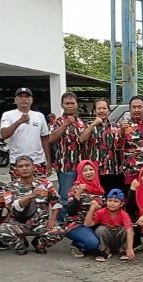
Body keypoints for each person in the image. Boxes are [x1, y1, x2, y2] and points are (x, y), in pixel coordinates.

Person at [0, 156, 64, 255]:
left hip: (40, 223)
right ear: (16, 170)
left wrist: (53, 218)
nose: (24, 168)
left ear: (34, 167)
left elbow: (57, 202)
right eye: (20, 166)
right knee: (1, 232)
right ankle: (21, 244)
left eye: (27, 165)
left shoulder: (45, 184)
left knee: (59, 232)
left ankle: (39, 244)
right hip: (19, 223)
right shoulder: (9, 187)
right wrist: (31, 196)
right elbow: (13, 207)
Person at [49, 92, 87, 223]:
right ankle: (61, 222)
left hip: (82, 166)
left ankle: (75, 221)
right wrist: (65, 125)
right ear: (62, 105)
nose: (70, 106)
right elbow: (51, 138)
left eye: (72, 103)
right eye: (67, 103)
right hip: (66, 165)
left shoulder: (81, 122)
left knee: (79, 195)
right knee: (65, 196)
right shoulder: (57, 121)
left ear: (77, 105)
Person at [0, 88, 52, 180]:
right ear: (15, 100)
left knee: (41, 191)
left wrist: (49, 161)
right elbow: (4, 135)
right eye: (20, 96)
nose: (24, 99)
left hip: (38, 161)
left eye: (27, 97)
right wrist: (19, 121)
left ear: (31, 100)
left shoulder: (39, 116)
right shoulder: (8, 115)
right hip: (17, 161)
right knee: (19, 191)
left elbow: (45, 139)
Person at [79, 98, 123, 194]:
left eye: (104, 108)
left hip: (112, 169)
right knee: (96, 197)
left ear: (108, 110)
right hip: (94, 171)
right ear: (95, 111)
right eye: (99, 109)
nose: (102, 111)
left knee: (111, 196)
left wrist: (122, 163)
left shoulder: (115, 126)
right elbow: (82, 139)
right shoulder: (88, 126)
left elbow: (120, 146)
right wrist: (93, 124)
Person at [65, 160, 105, 258]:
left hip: (93, 223)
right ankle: (76, 245)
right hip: (77, 224)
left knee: (108, 238)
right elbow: (71, 212)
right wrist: (78, 194)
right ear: (80, 172)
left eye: (91, 169)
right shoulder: (75, 188)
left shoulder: (99, 188)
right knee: (93, 244)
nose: (88, 173)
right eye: (85, 170)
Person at [85, 189, 135, 262]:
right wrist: (92, 209)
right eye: (110, 200)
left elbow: (130, 230)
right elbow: (87, 224)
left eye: (116, 201)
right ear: (106, 201)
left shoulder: (124, 214)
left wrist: (130, 249)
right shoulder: (101, 212)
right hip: (107, 239)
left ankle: (123, 249)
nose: (112, 203)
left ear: (121, 204)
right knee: (100, 229)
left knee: (127, 229)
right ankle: (106, 250)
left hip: (119, 239)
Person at [118, 95, 143, 195]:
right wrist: (121, 132)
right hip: (133, 169)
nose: (137, 110)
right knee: (132, 198)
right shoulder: (124, 125)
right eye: (134, 107)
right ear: (130, 109)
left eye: (139, 107)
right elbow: (118, 146)